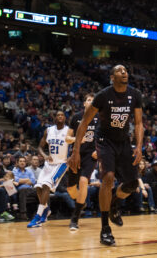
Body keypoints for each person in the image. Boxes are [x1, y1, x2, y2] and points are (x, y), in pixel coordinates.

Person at [70, 65, 144, 246]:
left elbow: (139, 123)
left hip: (124, 141)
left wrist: (139, 146)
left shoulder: (135, 95)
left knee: (132, 184)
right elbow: (85, 123)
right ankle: (105, 229)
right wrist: (76, 150)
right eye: (120, 71)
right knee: (108, 178)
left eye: (126, 70)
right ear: (112, 77)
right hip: (104, 141)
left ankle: (114, 203)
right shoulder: (103, 95)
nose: (124, 72)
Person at [27, 110, 73, 228]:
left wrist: (72, 157)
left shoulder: (69, 130)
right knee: (38, 187)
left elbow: (76, 145)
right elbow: (40, 147)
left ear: (65, 118)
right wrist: (45, 156)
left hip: (61, 163)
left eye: (62, 115)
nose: (60, 116)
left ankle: (38, 216)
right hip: (49, 163)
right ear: (55, 118)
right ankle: (46, 209)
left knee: (46, 185)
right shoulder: (48, 130)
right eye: (58, 115)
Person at [66, 93, 98, 231]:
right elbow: (67, 138)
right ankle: (81, 202)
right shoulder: (76, 117)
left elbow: (104, 137)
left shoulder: (100, 118)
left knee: (84, 181)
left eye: (93, 100)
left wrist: (99, 150)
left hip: (90, 156)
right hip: (76, 155)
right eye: (89, 100)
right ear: (84, 103)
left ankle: (75, 218)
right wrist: (77, 140)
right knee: (71, 189)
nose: (91, 102)